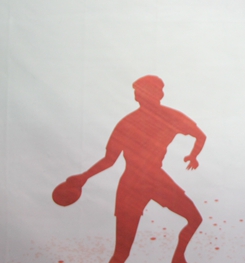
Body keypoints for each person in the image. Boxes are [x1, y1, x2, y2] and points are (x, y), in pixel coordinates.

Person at [65, 75, 205, 263]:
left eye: (146, 91)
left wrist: (194, 155)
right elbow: (109, 160)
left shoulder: (171, 117)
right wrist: (84, 177)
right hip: (134, 184)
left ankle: (178, 257)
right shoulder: (128, 123)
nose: (140, 95)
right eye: (139, 92)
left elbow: (200, 136)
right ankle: (178, 258)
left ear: (160, 94)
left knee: (194, 219)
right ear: (137, 97)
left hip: (153, 180)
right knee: (121, 253)